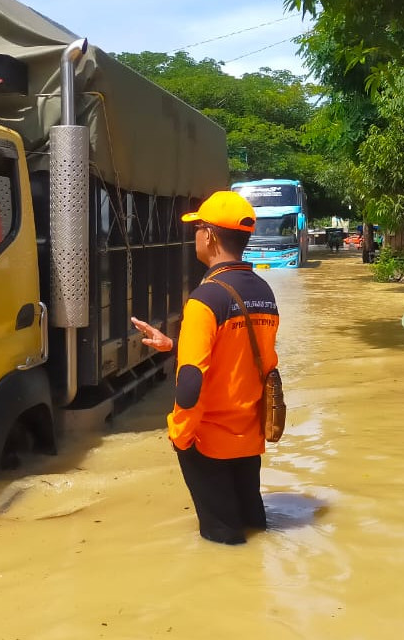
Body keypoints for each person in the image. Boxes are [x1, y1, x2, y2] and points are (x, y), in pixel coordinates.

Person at [130, 190, 281, 545]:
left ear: (209, 235)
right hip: (249, 434)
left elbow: (189, 385)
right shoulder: (264, 292)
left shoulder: (205, 299)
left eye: (198, 227)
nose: (195, 235)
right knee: (255, 529)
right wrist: (174, 346)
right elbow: (242, 354)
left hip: (209, 441)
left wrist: (179, 434)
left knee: (223, 542)